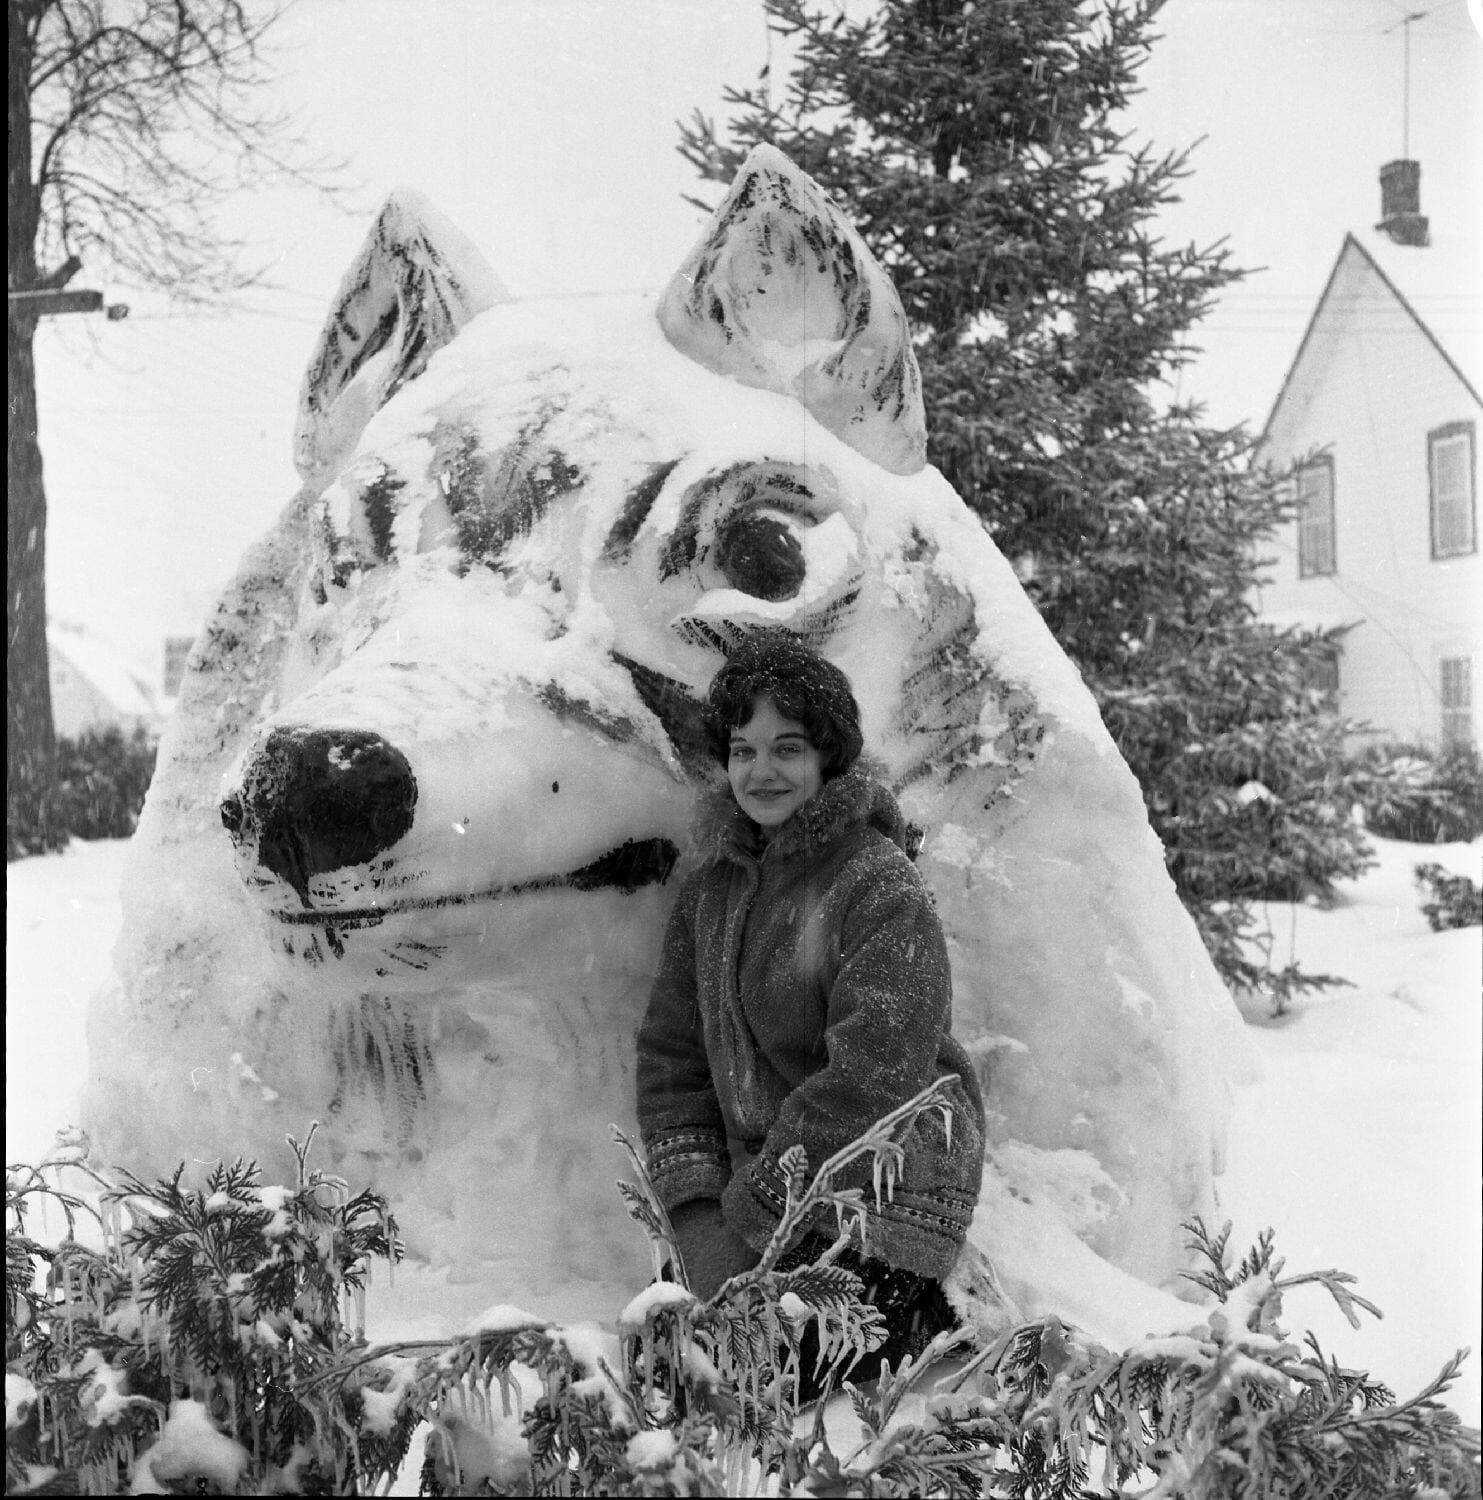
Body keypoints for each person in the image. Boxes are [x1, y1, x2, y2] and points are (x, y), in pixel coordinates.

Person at [635, 628, 985, 1392]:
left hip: (876, 1192)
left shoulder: (875, 884)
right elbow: (673, 1056)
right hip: (747, 1197)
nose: (760, 771)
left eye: (786, 747)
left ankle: (923, 1317)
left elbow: (875, 1075)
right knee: (664, 1371)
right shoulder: (710, 890)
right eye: (742, 749)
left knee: (752, 1385)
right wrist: (699, 1216)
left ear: (827, 756)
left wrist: (759, 1215)